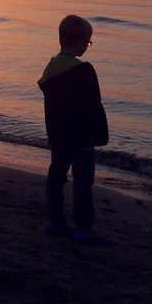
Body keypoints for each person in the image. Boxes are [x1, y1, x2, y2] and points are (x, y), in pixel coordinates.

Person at [38, 14, 110, 244]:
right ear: (79, 40)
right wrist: (96, 136)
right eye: (88, 41)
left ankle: (55, 221)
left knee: (56, 177)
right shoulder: (84, 71)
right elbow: (93, 107)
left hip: (58, 136)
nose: (88, 46)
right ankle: (83, 228)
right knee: (82, 182)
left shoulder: (50, 69)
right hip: (80, 139)